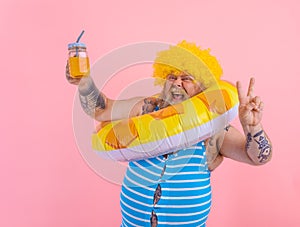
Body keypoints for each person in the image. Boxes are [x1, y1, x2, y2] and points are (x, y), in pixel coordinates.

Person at [66, 40, 272, 226]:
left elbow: (257, 157)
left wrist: (252, 126)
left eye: (187, 78)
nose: (176, 83)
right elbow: (101, 109)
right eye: (171, 76)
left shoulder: (215, 130)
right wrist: (84, 83)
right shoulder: (145, 108)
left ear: (203, 87)